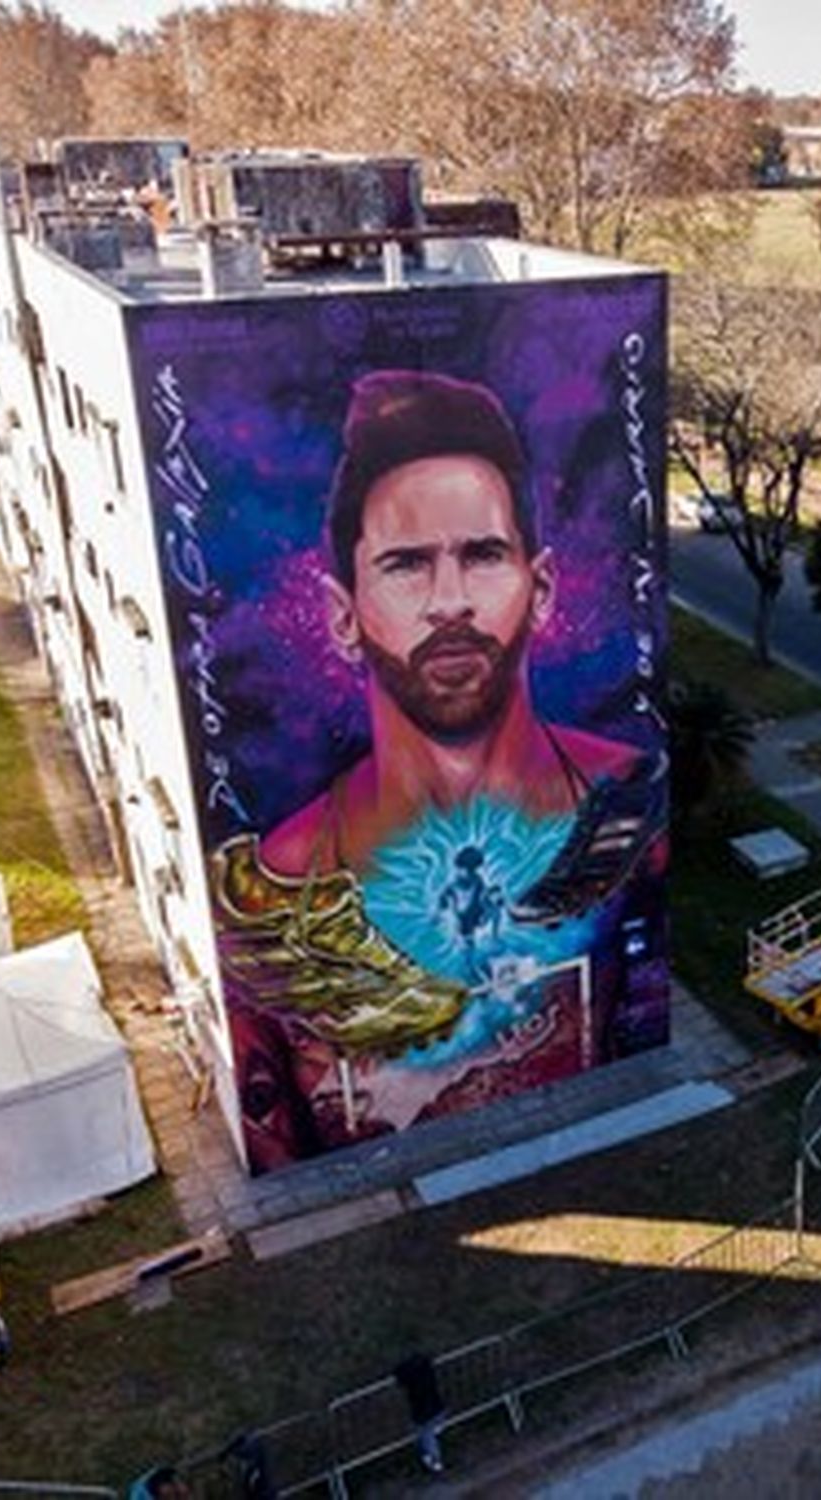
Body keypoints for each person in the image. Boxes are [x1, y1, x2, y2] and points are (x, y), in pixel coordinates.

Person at [211, 371, 664, 1165]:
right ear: (342, 615)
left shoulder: (630, 803)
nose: (450, 601)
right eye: (407, 565)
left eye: (483, 554)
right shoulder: (271, 899)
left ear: (543, 586)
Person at [394, 1348, 447, 1474]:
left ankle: (434, 1460)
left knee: (425, 1434)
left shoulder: (409, 1376)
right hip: (435, 1407)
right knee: (423, 1434)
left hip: (423, 1412)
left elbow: (399, 1377)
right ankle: (428, 1458)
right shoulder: (426, 1368)